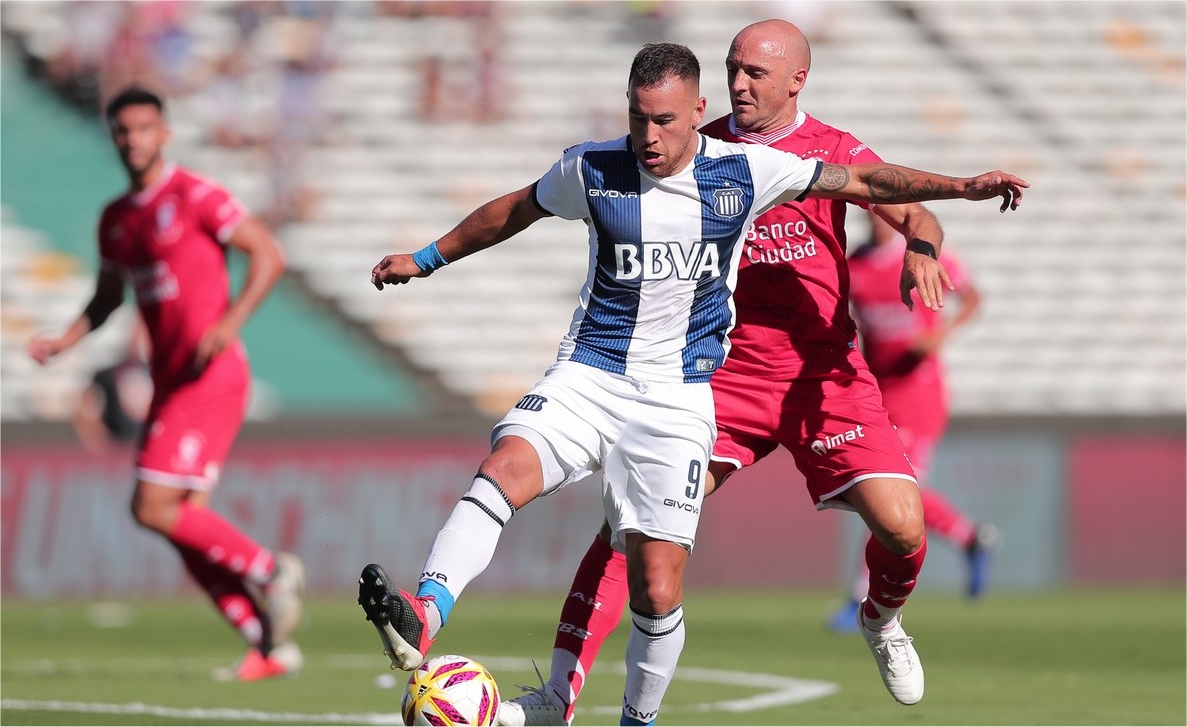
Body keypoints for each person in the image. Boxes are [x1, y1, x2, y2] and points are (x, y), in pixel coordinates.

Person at [357, 40, 1026, 726]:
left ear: (792, 81)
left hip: (777, 378)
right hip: (668, 374)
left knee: (888, 529)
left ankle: (879, 621)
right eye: (731, 69)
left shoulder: (758, 166)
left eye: (753, 73)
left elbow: (880, 190)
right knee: (584, 514)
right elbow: (521, 206)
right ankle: (486, 650)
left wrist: (949, 206)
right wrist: (428, 257)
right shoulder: (621, 160)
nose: (738, 84)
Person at [26, 86, 306, 683]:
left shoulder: (195, 195)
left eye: (143, 128)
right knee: (185, 523)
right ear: (113, 137)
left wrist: (229, 323)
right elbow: (106, 299)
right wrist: (64, 340)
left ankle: (269, 569)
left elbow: (268, 255)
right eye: (122, 131)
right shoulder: (116, 221)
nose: (133, 139)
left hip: (209, 376)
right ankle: (268, 645)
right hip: (170, 381)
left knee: (150, 505)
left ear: (164, 133)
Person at [826, 211, 998, 632]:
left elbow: (973, 297)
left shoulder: (921, 257)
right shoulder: (855, 264)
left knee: (888, 492)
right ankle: (970, 537)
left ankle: (859, 599)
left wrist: (940, 335)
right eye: (874, 214)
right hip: (878, 391)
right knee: (890, 494)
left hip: (921, 393)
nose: (881, 221)